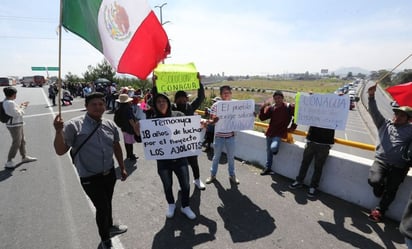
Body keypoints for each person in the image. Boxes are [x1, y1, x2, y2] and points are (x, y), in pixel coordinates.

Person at [53, 92, 128, 249]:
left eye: (101, 104)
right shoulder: (74, 125)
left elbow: (116, 146)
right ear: (86, 106)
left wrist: (122, 167)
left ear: (105, 106)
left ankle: (110, 226)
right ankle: (105, 239)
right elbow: (60, 151)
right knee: (102, 207)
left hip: (109, 173)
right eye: (93, 104)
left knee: (108, 202)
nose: (98, 107)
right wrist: (58, 131)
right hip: (89, 176)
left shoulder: (110, 125)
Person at [366, 84, 412, 222]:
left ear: (409, 119)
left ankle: (379, 211)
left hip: (400, 166)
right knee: (373, 180)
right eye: (396, 114)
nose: (397, 117)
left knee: (392, 190)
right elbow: (374, 111)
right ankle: (379, 188)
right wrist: (371, 96)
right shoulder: (384, 124)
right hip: (381, 161)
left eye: (402, 116)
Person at [149, 93, 197, 220]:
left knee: (185, 185)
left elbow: (190, 129)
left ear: (168, 102)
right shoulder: (151, 120)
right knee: (167, 185)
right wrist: (138, 132)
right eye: (158, 101)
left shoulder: (179, 115)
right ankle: (171, 204)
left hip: (180, 159)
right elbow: (143, 139)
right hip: (163, 162)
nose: (161, 103)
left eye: (163, 100)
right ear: (155, 104)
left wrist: (199, 127)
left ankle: (185, 206)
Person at [172, 76, 206, 190]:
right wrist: (155, 85)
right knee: (180, 165)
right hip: (177, 141)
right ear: (175, 100)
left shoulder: (191, 107)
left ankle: (197, 180)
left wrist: (199, 83)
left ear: (187, 99)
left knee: (194, 163)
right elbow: (156, 101)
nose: (182, 101)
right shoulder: (171, 109)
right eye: (179, 99)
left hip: (190, 140)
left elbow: (201, 97)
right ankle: (183, 184)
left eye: (184, 99)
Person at [205, 85, 240, 185]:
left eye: (228, 92)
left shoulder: (235, 105)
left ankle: (232, 175)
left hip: (231, 137)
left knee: (231, 158)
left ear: (231, 94)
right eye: (224, 93)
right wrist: (213, 120)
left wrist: (250, 114)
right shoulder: (215, 106)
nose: (226, 94)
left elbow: (242, 116)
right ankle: (212, 175)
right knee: (216, 157)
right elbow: (211, 121)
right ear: (220, 95)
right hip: (219, 137)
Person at [289, 126, 335, 197]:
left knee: (318, 167)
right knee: (305, 163)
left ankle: (313, 186)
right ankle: (299, 181)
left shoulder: (333, 116)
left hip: (324, 144)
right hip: (312, 141)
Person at [259, 90, 297, 175]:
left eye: (279, 98)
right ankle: (268, 168)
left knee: (273, 148)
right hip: (270, 132)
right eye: (275, 98)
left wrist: (293, 127)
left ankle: (275, 150)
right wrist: (262, 108)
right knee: (268, 152)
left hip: (280, 133)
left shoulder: (289, 107)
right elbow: (262, 118)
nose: (277, 100)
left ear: (283, 98)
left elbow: (297, 116)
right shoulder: (272, 108)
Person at [2, 86, 37, 169]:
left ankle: (24, 157)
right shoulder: (9, 103)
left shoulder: (7, 101)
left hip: (16, 124)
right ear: (13, 94)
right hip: (14, 125)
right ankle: (9, 161)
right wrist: (23, 107)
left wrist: (21, 106)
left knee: (22, 141)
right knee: (16, 143)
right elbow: (16, 114)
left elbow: (14, 111)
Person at [114, 94, 140, 161]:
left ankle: (129, 155)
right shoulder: (127, 109)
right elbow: (130, 120)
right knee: (130, 143)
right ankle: (131, 155)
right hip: (129, 128)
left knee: (127, 142)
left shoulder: (119, 108)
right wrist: (135, 128)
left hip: (124, 128)